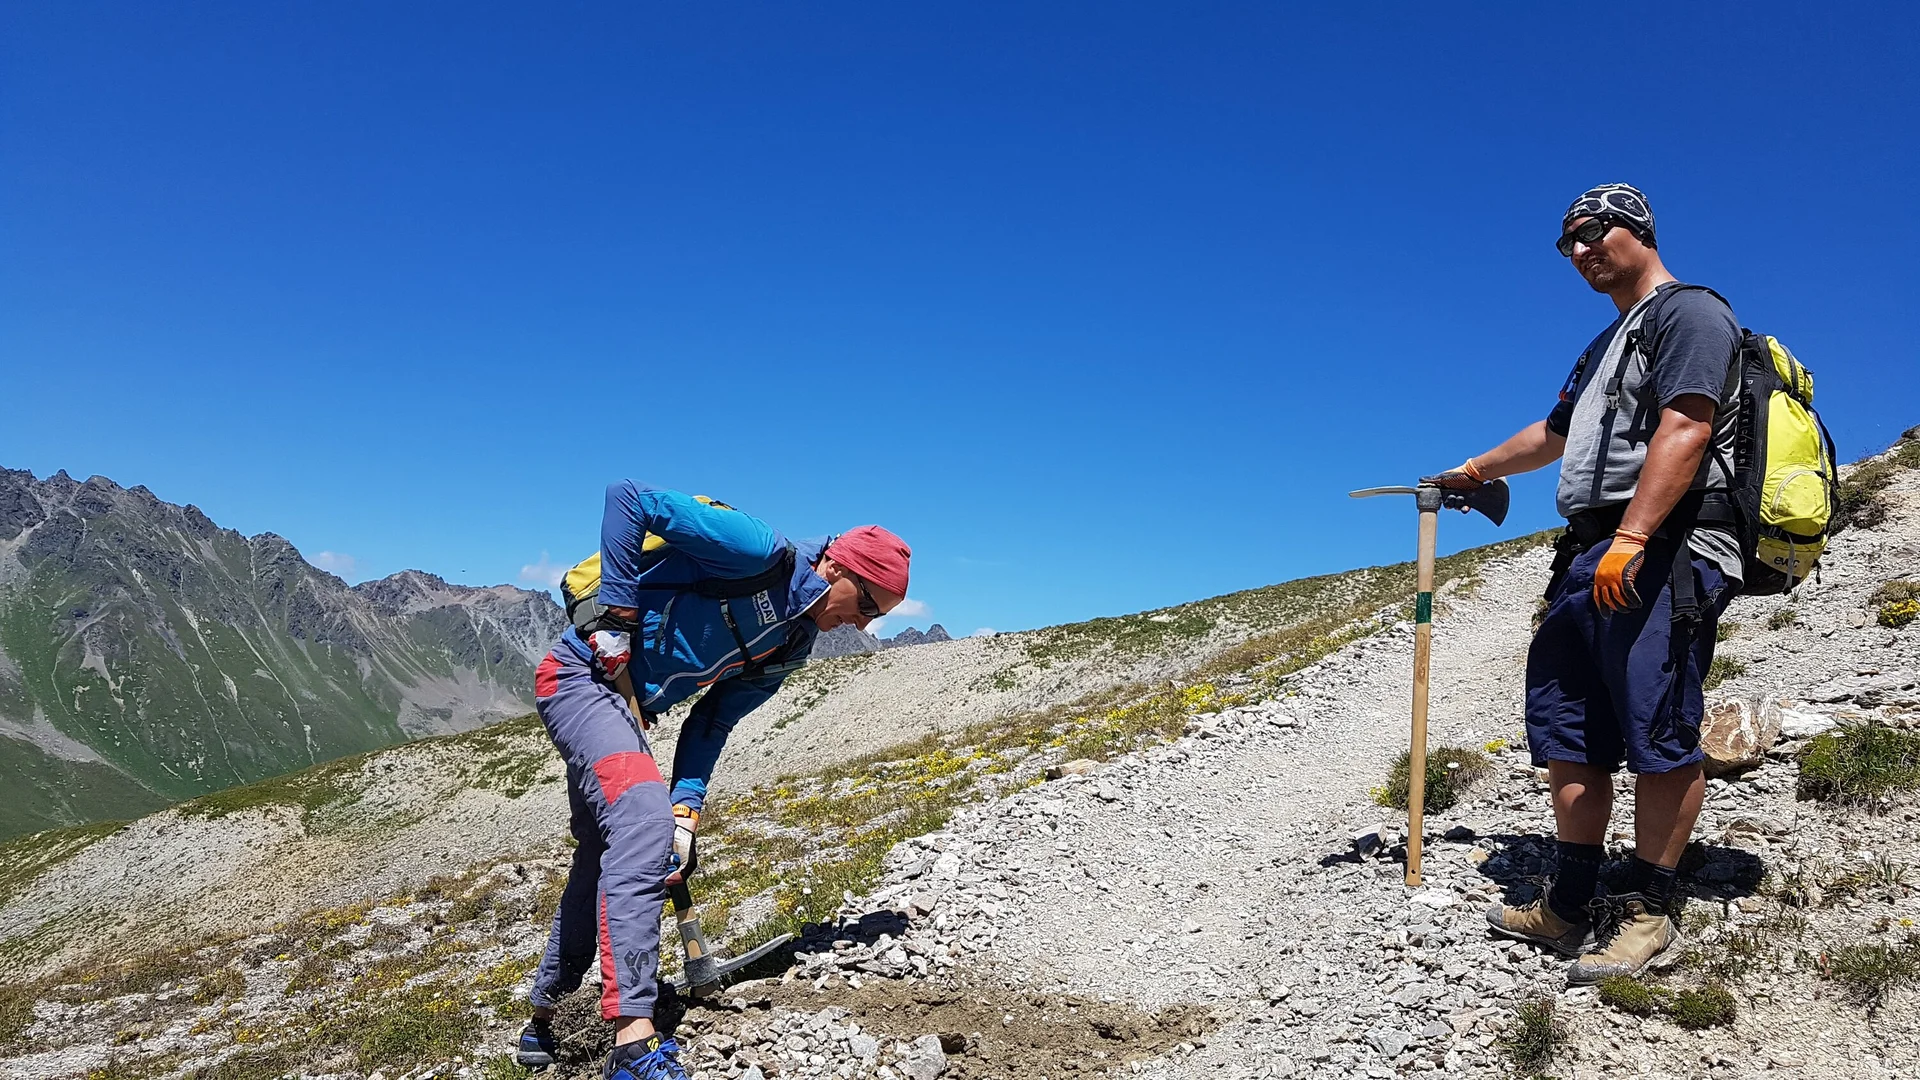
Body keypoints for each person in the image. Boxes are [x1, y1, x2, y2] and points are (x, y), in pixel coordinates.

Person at [1429, 183, 1742, 984]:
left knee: (1657, 727)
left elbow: (1689, 423)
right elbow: (1554, 434)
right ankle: (1568, 902)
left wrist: (1634, 535)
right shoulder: (1606, 345)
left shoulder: (1690, 312)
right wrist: (1473, 470)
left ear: (1637, 229)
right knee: (1570, 728)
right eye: (1566, 244)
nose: (1578, 252)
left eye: (1591, 234)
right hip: (1590, 552)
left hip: (1661, 548)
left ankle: (1644, 911)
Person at [515, 482, 910, 1078]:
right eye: (867, 604)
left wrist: (686, 810)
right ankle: (633, 1040)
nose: (863, 622)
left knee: (614, 846)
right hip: (580, 677)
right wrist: (616, 615)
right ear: (838, 565)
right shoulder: (757, 553)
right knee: (640, 825)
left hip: (630, 711)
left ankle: (548, 1012)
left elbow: (712, 721)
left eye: (876, 616)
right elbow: (629, 499)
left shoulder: (792, 642)